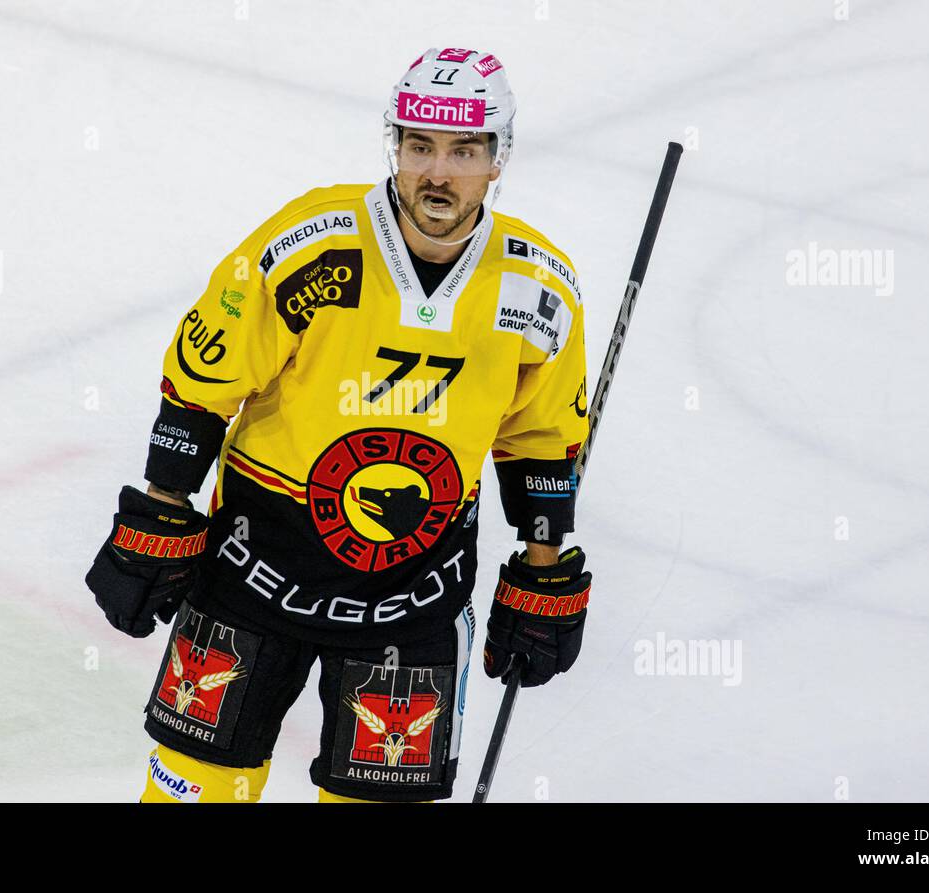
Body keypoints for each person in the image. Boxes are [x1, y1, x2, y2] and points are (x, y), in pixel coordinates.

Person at [86, 46, 592, 803]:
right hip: (253, 574)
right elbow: (204, 377)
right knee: (188, 795)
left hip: (413, 597)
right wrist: (163, 504)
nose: (437, 172)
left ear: (499, 158)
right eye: (419, 145)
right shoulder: (312, 244)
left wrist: (543, 561)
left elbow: (542, 439)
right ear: (395, 145)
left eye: (464, 150)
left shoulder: (537, 287)